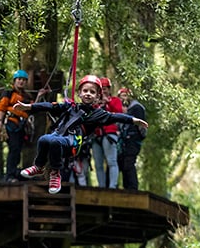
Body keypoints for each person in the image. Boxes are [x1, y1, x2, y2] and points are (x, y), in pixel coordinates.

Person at [15, 75, 149, 194]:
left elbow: (115, 117)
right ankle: (39, 166)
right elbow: (50, 106)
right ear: (79, 93)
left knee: (55, 143)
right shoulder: (71, 107)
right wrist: (29, 107)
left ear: (97, 96)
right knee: (44, 139)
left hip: (73, 142)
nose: (88, 94)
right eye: (85, 91)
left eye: (92, 92)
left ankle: (55, 174)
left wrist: (133, 120)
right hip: (60, 136)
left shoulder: (98, 114)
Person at [0, 70, 33, 181]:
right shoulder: (9, 93)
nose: (21, 82)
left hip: (22, 126)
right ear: (15, 81)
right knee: (14, 147)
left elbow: (33, 107)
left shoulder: (26, 96)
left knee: (18, 149)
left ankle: (14, 172)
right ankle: (10, 175)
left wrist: (40, 95)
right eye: (19, 79)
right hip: (11, 123)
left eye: (23, 80)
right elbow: (2, 107)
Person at [91, 77, 123, 189]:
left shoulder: (115, 101)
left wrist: (108, 102)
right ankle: (101, 186)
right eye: (101, 89)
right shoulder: (95, 103)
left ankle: (112, 186)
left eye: (105, 89)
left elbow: (119, 113)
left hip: (109, 133)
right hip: (96, 135)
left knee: (111, 161)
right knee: (98, 164)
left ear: (109, 89)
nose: (103, 91)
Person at [117, 87, 147, 190]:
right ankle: (127, 187)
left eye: (125, 96)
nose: (123, 99)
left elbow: (141, 126)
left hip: (132, 141)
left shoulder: (136, 107)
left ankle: (132, 188)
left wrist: (136, 137)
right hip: (125, 141)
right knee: (124, 164)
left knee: (129, 164)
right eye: (121, 97)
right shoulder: (126, 109)